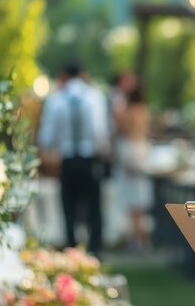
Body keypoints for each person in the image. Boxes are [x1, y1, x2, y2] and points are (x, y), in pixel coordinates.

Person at [37, 61, 110, 255]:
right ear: (83, 75)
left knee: (69, 207)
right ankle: (95, 249)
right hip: (90, 159)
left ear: (63, 76)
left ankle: (72, 248)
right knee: (94, 207)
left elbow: (47, 137)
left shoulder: (56, 100)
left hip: (67, 160)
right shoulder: (95, 97)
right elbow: (101, 131)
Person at [115, 84, 154, 251]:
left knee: (133, 204)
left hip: (131, 152)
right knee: (139, 203)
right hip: (142, 151)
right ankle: (139, 238)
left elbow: (121, 129)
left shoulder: (127, 112)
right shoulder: (145, 111)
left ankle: (138, 238)